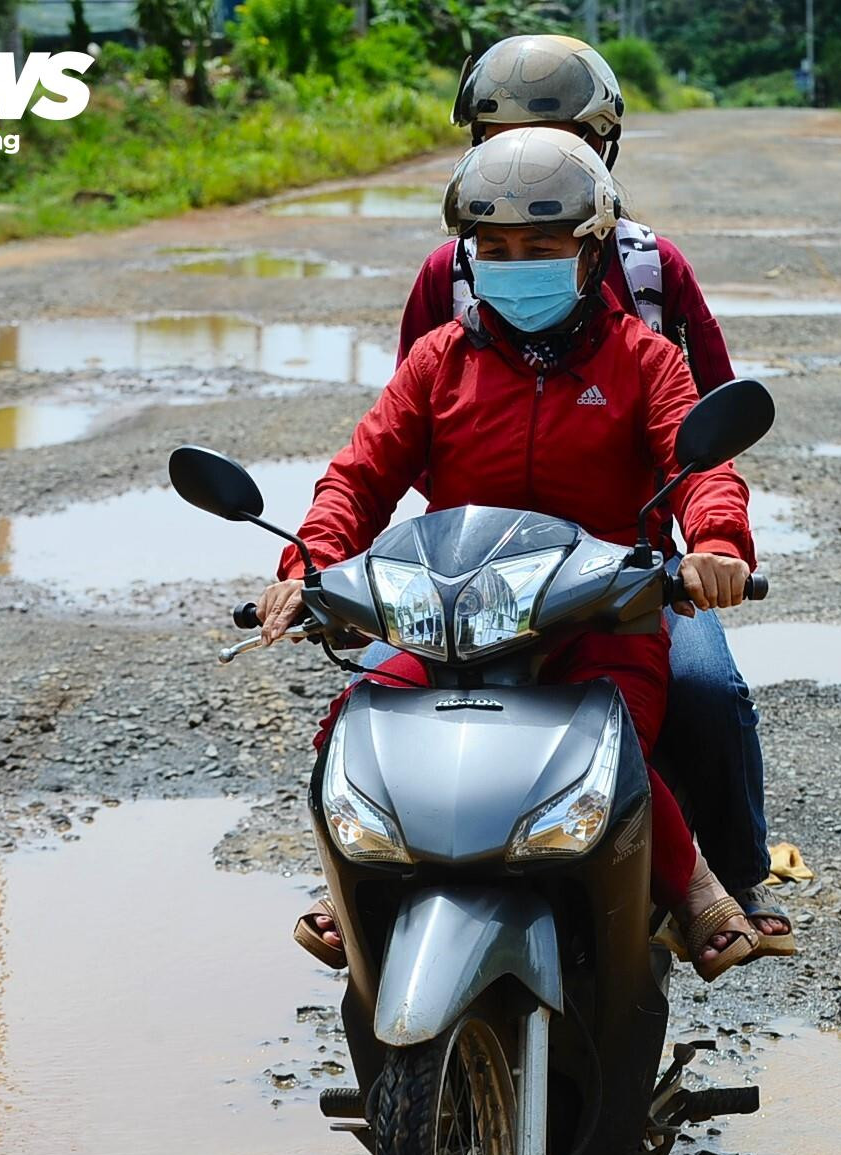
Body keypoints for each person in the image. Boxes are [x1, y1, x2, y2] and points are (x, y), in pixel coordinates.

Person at [259, 128, 789, 981]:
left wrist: (716, 545)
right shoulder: (440, 363)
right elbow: (359, 475)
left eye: (539, 246)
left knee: (606, 745)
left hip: (601, 613)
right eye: (494, 248)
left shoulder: (644, 360)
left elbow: (701, 470)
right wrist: (307, 568)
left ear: (590, 253)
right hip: (452, 613)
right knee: (358, 721)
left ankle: (700, 893)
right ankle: (356, 880)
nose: (516, 264)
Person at [394, 34, 792, 942]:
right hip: (476, 565)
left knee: (705, 695)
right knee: (379, 696)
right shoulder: (451, 274)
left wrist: (704, 541)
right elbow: (400, 433)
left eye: (559, 137)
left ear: (603, 151)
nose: (530, 157)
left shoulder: (652, 272)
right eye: (502, 135)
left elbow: (709, 423)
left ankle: (733, 882)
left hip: (628, 559)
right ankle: (369, 883)